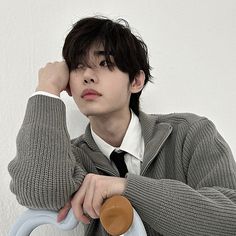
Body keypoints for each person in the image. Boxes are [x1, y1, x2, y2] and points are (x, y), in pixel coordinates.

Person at [8, 16, 236, 236]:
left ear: (136, 81)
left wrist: (126, 188)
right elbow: (40, 192)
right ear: (69, 85)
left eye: (105, 63)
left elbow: (229, 222)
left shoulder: (191, 134)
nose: (87, 75)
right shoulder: (70, 159)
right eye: (78, 67)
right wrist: (47, 90)